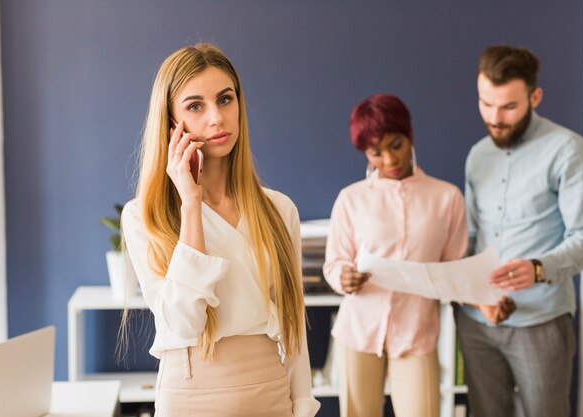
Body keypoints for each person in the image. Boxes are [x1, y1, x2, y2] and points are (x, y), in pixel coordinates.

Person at [121, 43, 320, 417]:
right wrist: (190, 204)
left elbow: (294, 333)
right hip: (190, 395)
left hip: (270, 390)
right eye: (195, 106)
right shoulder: (144, 216)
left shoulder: (279, 210)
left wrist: (303, 405)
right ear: (169, 124)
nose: (217, 118)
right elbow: (183, 321)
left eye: (225, 99)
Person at [455, 45, 583, 417]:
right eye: (485, 104)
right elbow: (472, 238)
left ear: (535, 97)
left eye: (508, 107)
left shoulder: (567, 150)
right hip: (479, 323)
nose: (495, 118)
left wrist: (538, 268)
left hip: (542, 321)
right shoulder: (477, 156)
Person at [323, 94, 473, 417]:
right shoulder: (351, 199)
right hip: (359, 331)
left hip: (417, 333)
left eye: (396, 145)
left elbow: (455, 271)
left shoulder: (447, 198)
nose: (389, 160)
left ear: (410, 136)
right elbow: (333, 263)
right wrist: (343, 277)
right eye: (376, 152)